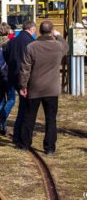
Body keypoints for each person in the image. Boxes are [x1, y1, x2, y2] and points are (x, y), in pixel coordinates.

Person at [18, 21, 68, 155]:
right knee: (51, 119)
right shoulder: (58, 46)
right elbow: (66, 46)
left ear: (39, 31)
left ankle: (25, 143)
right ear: (51, 31)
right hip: (52, 89)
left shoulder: (31, 47)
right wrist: (59, 36)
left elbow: (25, 69)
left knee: (29, 117)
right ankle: (50, 147)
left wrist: (23, 85)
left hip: (35, 87)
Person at [4, 20, 36, 143]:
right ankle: (20, 135)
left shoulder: (12, 41)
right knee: (25, 108)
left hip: (13, 76)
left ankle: (17, 134)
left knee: (22, 107)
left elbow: (6, 56)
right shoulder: (31, 43)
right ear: (32, 29)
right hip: (25, 78)